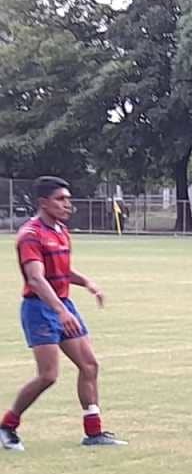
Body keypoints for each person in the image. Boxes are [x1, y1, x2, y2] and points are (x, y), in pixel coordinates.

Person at [1, 176, 124, 452]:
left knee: (89, 365)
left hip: (63, 306)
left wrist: (88, 283)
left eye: (68, 199)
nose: (67, 204)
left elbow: (62, 270)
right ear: (43, 202)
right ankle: (7, 426)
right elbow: (36, 279)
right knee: (48, 376)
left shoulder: (60, 230)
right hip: (39, 309)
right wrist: (59, 310)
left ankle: (93, 433)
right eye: (61, 199)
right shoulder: (30, 235)